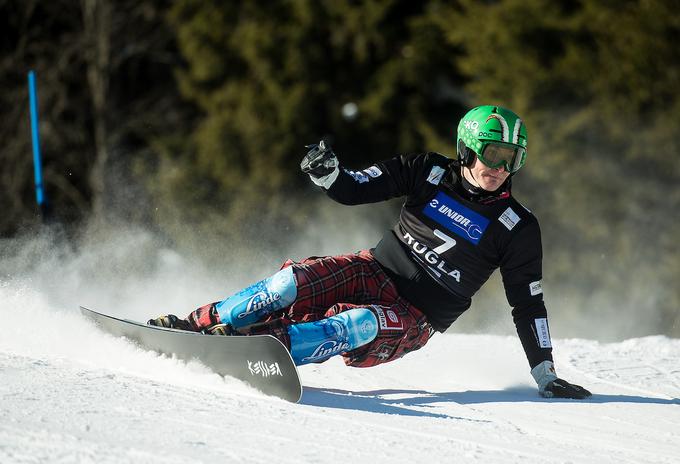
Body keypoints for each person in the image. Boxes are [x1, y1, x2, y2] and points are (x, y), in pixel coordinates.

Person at [149, 105, 591, 399]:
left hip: (416, 318)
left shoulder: (518, 226)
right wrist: (329, 175)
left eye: (512, 159)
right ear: (467, 149)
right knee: (291, 283)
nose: (499, 169)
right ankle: (195, 325)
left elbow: (527, 303)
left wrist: (544, 372)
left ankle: (251, 347)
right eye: (492, 154)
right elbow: (356, 187)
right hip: (373, 270)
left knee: (356, 324)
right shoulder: (429, 172)